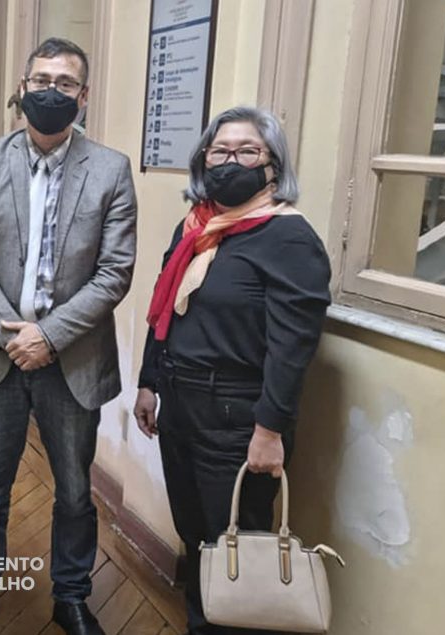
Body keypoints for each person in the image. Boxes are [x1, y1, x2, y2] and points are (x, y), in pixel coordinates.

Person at [0, 37, 137, 635]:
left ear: (84, 96)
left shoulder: (111, 169)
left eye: (65, 83)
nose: (51, 91)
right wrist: (12, 335)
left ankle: (71, 596)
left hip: (72, 358)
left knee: (74, 491)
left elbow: (114, 272)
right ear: (21, 89)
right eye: (41, 80)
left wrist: (46, 336)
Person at [132, 107, 331, 635]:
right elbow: (166, 306)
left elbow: (293, 349)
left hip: (240, 423)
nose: (230, 161)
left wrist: (269, 431)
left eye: (247, 151)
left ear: (272, 165)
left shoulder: (289, 239)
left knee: (236, 551)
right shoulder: (197, 225)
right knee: (198, 542)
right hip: (182, 407)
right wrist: (149, 382)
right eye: (219, 151)